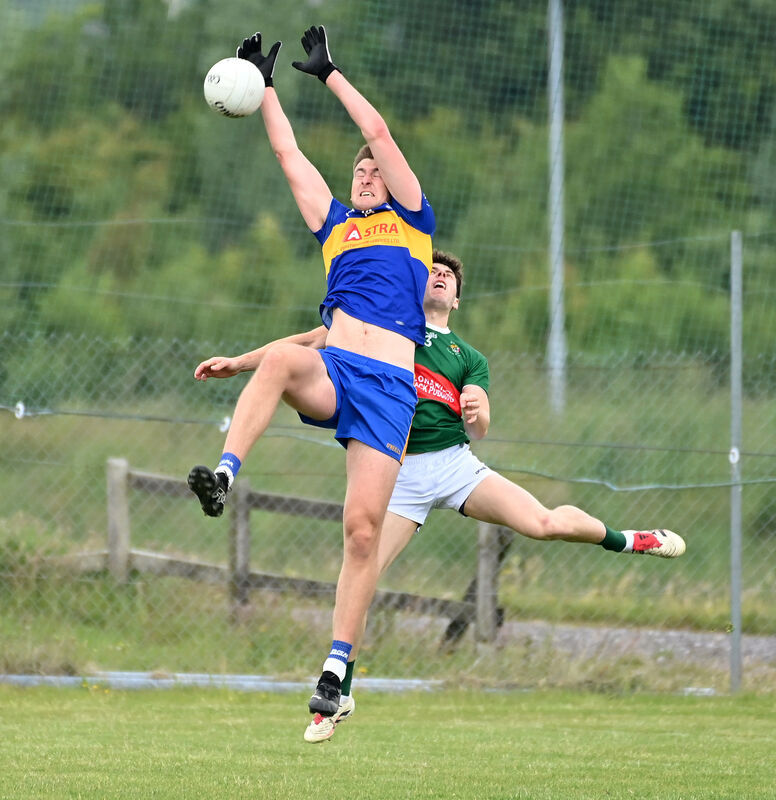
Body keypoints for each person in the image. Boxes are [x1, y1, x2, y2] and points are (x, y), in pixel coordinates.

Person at [300, 249, 686, 742]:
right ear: (416, 284)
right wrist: (253, 362)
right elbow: (315, 340)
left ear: (457, 300)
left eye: (449, 277)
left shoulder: (469, 359)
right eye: (432, 271)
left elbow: (480, 430)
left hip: (455, 464)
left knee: (544, 524)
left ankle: (630, 539)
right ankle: (338, 696)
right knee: (361, 573)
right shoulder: (390, 332)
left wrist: (477, 411)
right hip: (399, 474)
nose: (440, 277)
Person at [187, 25, 435, 719]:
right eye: (358, 170)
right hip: (336, 369)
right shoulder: (333, 227)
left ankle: (336, 672)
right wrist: (265, 88)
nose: (365, 172)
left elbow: (380, 132)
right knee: (287, 357)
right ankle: (226, 474)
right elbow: (288, 152)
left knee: (362, 531)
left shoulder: (413, 221)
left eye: (373, 170)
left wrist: (329, 75)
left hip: (389, 390)